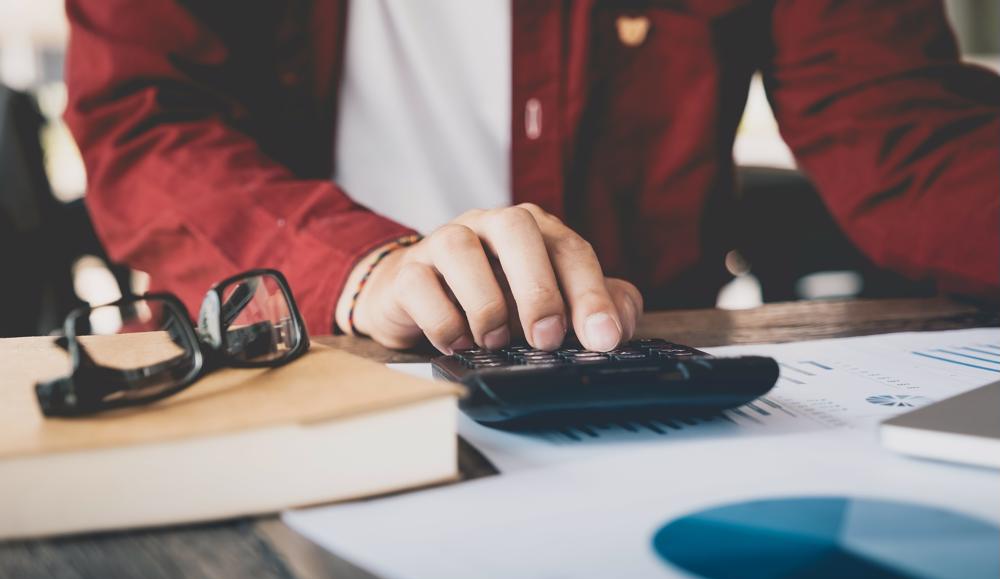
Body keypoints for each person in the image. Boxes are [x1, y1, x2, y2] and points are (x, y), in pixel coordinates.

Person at [64, 0, 1000, 354]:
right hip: (284, 365)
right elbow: (143, 119)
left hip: (637, 391)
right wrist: (358, 268)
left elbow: (904, 128)